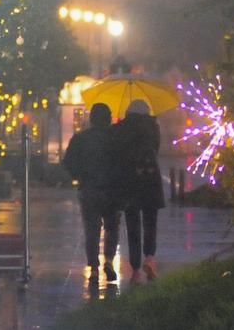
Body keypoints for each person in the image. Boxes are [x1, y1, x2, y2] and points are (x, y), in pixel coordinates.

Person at [61, 102, 121, 290]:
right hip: (112, 189)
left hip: (89, 189)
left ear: (91, 118)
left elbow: (68, 162)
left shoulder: (80, 139)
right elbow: (124, 162)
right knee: (112, 226)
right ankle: (109, 260)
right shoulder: (116, 138)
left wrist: (79, 176)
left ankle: (94, 268)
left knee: (92, 229)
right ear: (109, 118)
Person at [114, 98, 164, 283]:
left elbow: (117, 153)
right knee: (150, 221)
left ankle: (135, 268)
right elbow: (156, 149)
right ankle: (150, 258)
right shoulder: (153, 128)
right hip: (150, 178)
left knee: (132, 222)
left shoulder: (121, 129)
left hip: (130, 180)